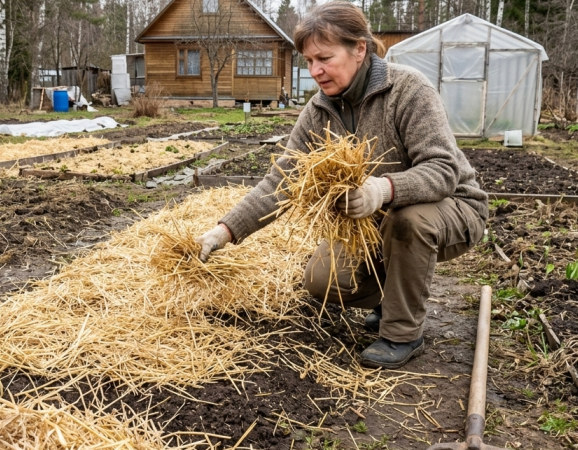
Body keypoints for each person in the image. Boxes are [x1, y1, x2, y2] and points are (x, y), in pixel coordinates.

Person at [195, 1, 488, 370]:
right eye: (309, 61)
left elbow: (444, 169)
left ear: (359, 49)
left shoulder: (408, 90)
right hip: (376, 222)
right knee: (322, 281)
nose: (316, 71)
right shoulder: (319, 111)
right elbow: (282, 179)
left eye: (325, 58)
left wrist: (382, 190)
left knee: (408, 221)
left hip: (452, 208)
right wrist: (224, 231)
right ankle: (392, 297)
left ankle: (402, 332)